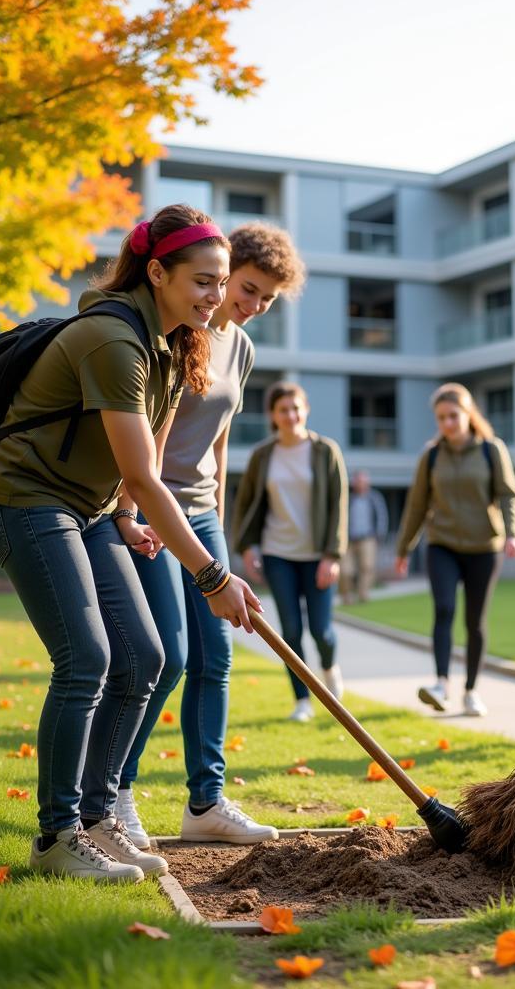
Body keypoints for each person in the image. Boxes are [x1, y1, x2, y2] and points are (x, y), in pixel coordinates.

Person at [0, 205, 262, 882]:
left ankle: (101, 818)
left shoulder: (173, 343)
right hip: (25, 498)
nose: (216, 297)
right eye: (203, 280)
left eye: (222, 283)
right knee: (88, 658)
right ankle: (57, 836)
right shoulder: (113, 339)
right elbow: (141, 473)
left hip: (92, 509)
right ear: (156, 271)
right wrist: (214, 579)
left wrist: (129, 516)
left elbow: (143, 475)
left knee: (149, 657)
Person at [115, 222, 306, 849]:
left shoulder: (241, 348)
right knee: (165, 655)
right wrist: (130, 510)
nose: (251, 307)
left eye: (267, 299)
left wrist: (217, 517)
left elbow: (220, 442)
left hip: (199, 512)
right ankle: (114, 793)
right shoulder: (177, 333)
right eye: (246, 290)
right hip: (150, 510)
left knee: (216, 658)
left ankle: (206, 802)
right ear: (223, 276)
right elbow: (151, 430)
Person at [394, 382, 515, 717]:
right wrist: (404, 549)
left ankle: (470, 691)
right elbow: (417, 505)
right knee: (445, 609)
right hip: (443, 545)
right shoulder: (432, 456)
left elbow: (509, 494)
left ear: (468, 415)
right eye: (441, 418)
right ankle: (441, 684)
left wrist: (513, 534)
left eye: (453, 416)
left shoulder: (491, 450)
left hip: (484, 547)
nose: (448, 423)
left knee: (475, 620)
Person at [233, 381, 348, 721]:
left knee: (322, 631)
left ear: (306, 410)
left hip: (317, 556)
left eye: (296, 408)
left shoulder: (326, 451)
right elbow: (247, 503)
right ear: (273, 415)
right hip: (277, 553)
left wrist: (333, 555)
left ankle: (329, 668)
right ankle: (302, 700)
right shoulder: (262, 455)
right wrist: (248, 547)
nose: (291, 415)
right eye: (283, 410)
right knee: (291, 632)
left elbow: (337, 505)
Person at [339, 469, 388, 604]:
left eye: (363, 481)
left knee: (367, 567)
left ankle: (363, 595)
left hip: (368, 538)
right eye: (358, 481)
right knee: (345, 570)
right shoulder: (348, 498)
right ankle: (347, 597)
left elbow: (382, 517)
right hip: (348, 540)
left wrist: (379, 535)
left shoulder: (374, 498)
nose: (360, 484)